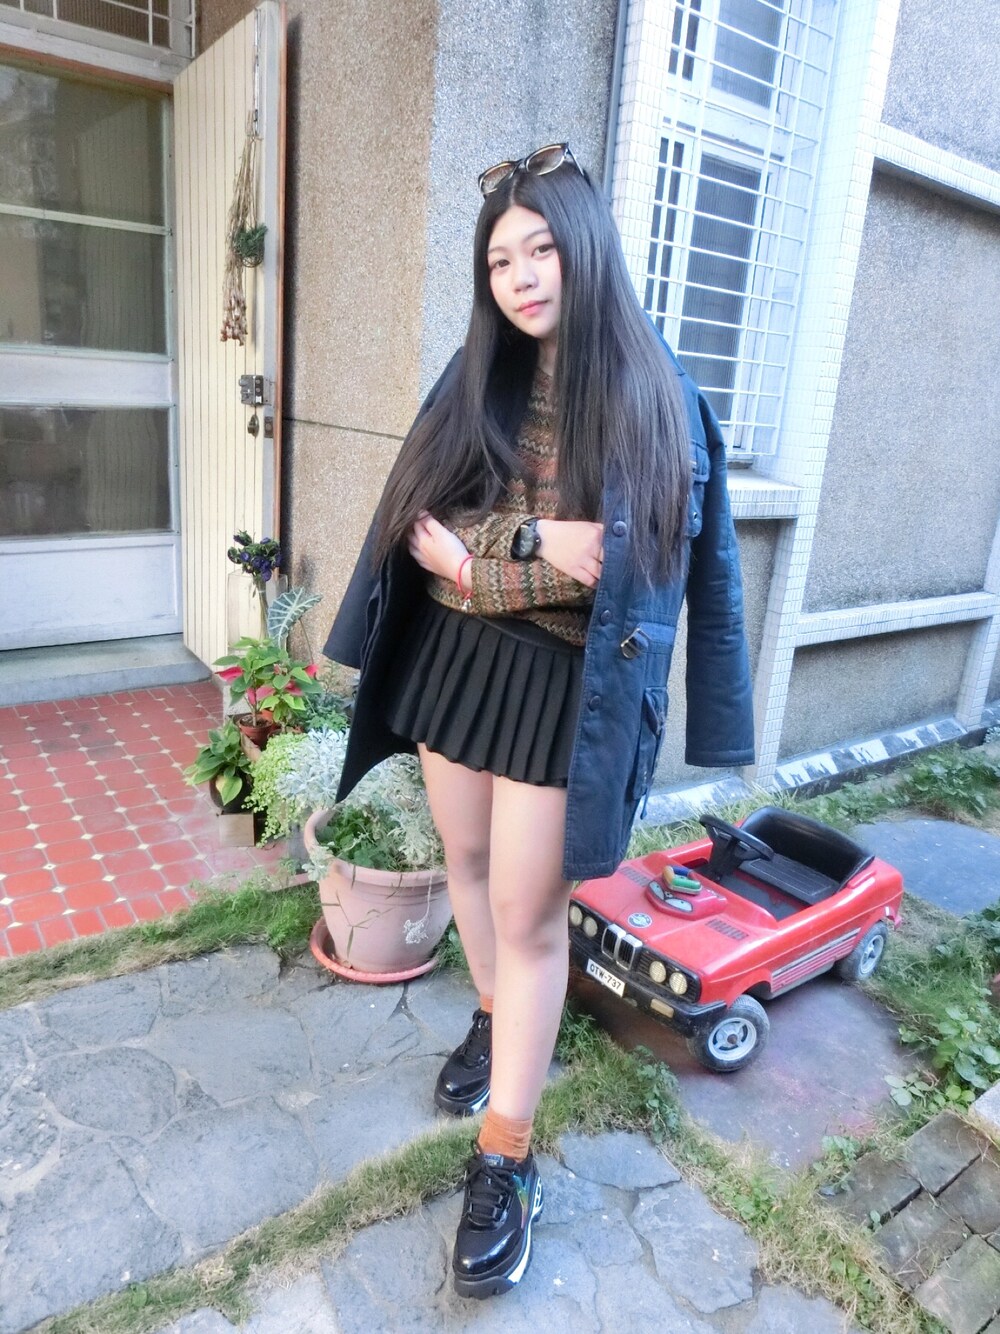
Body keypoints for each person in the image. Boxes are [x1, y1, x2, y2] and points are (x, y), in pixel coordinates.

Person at [323, 143, 754, 1299]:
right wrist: (520, 542)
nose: (518, 276)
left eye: (540, 249)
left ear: (585, 248)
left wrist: (477, 562)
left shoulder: (653, 394)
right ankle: (495, 1015)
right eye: (499, 259)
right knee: (463, 863)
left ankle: (506, 1157)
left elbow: (612, 569)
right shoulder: (479, 373)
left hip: (566, 688)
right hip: (457, 667)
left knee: (527, 915)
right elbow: (423, 523)